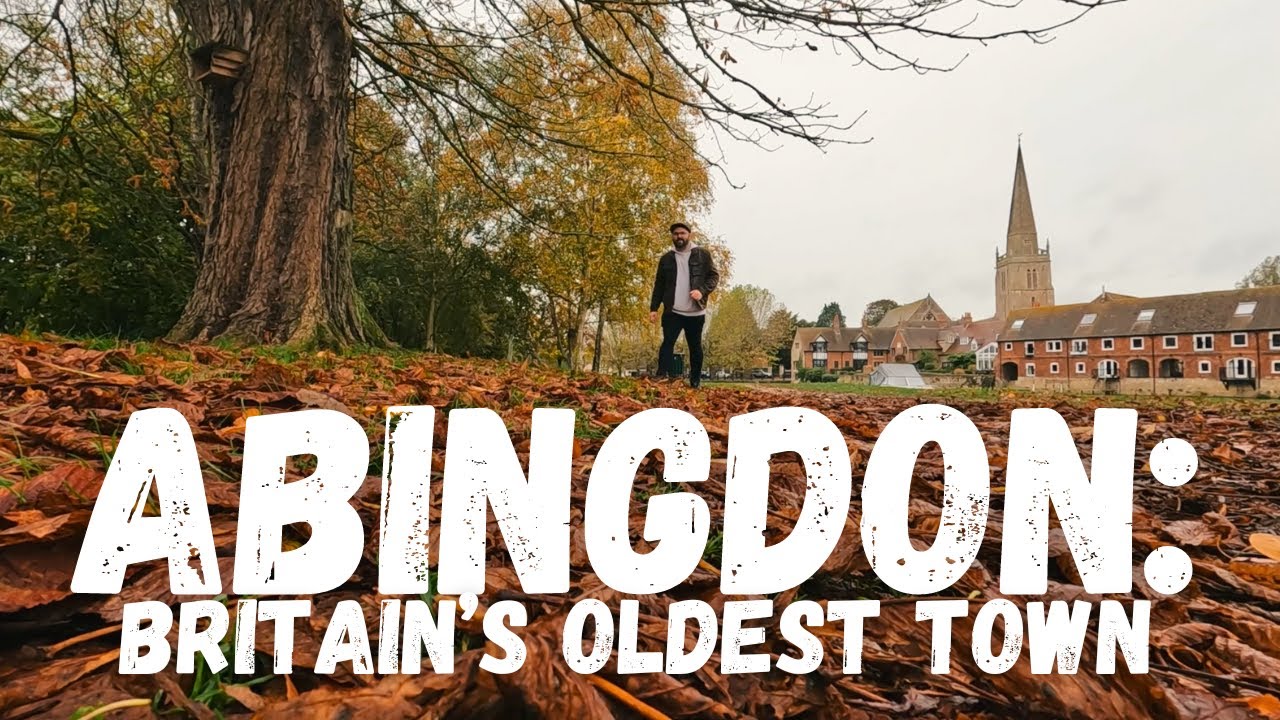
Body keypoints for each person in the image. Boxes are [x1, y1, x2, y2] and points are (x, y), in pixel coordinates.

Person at [649, 223, 719, 388]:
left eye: (682, 233)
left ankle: (695, 381)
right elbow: (659, 284)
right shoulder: (666, 259)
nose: (679, 236)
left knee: (695, 347)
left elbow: (713, 277)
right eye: (675, 234)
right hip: (672, 310)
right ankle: (661, 378)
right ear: (672, 236)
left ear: (689, 235)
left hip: (695, 311)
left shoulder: (702, 254)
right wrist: (653, 308)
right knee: (667, 343)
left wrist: (701, 291)